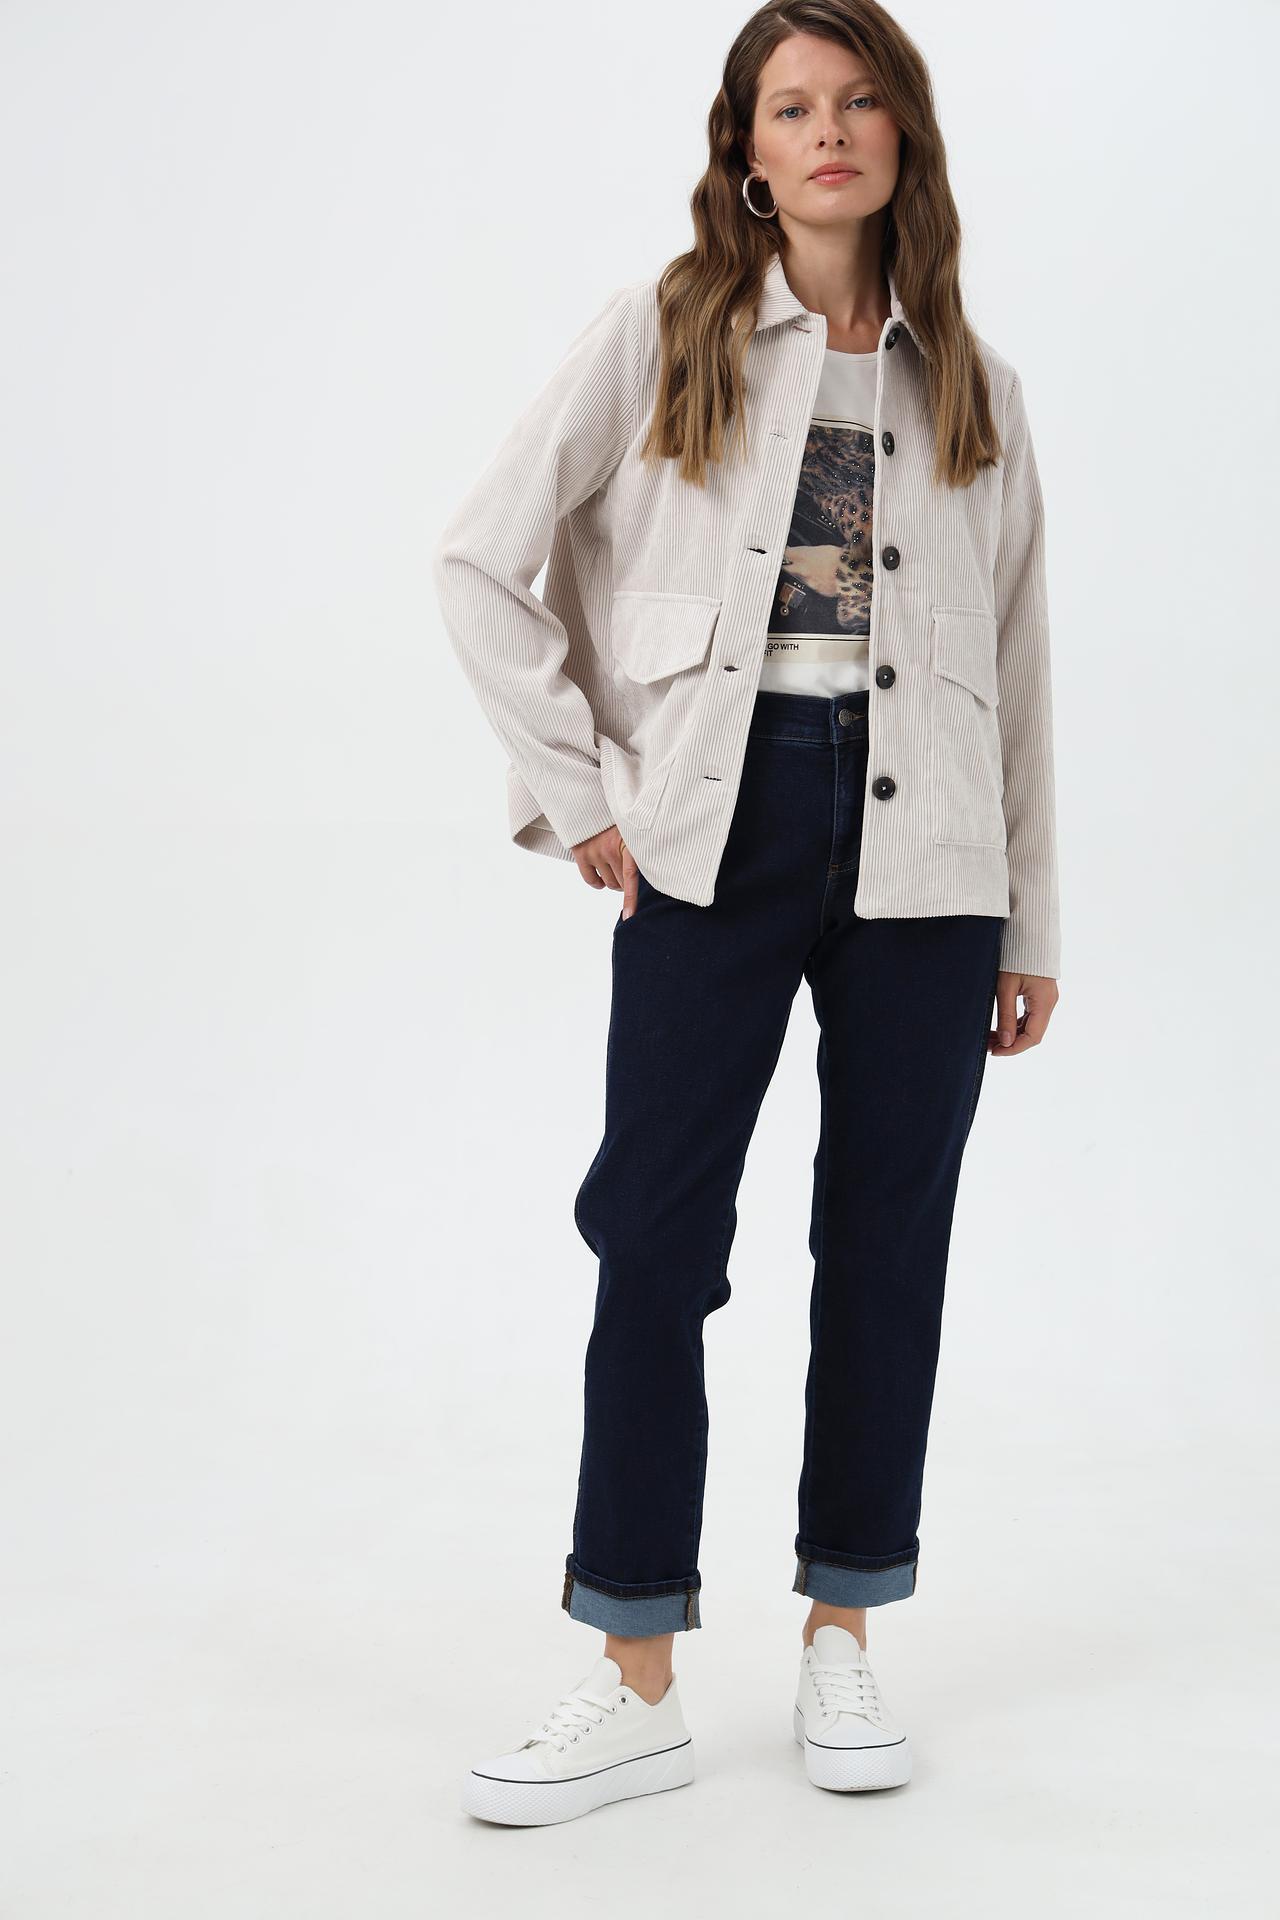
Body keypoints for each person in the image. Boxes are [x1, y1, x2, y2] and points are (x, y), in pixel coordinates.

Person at [433, 0, 1061, 1827]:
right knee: (654, 1233)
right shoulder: (668, 330)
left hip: (931, 849)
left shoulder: (974, 383)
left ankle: (844, 1630)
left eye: (860, 101)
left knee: (887, 1240)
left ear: (902, 136)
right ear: (749, 151)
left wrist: (1029, 921)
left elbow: (1021, 662)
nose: (829, 130)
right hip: (715, 823)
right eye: (793, 107)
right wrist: (578, 794)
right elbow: (478, 558)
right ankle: (633, 1668)